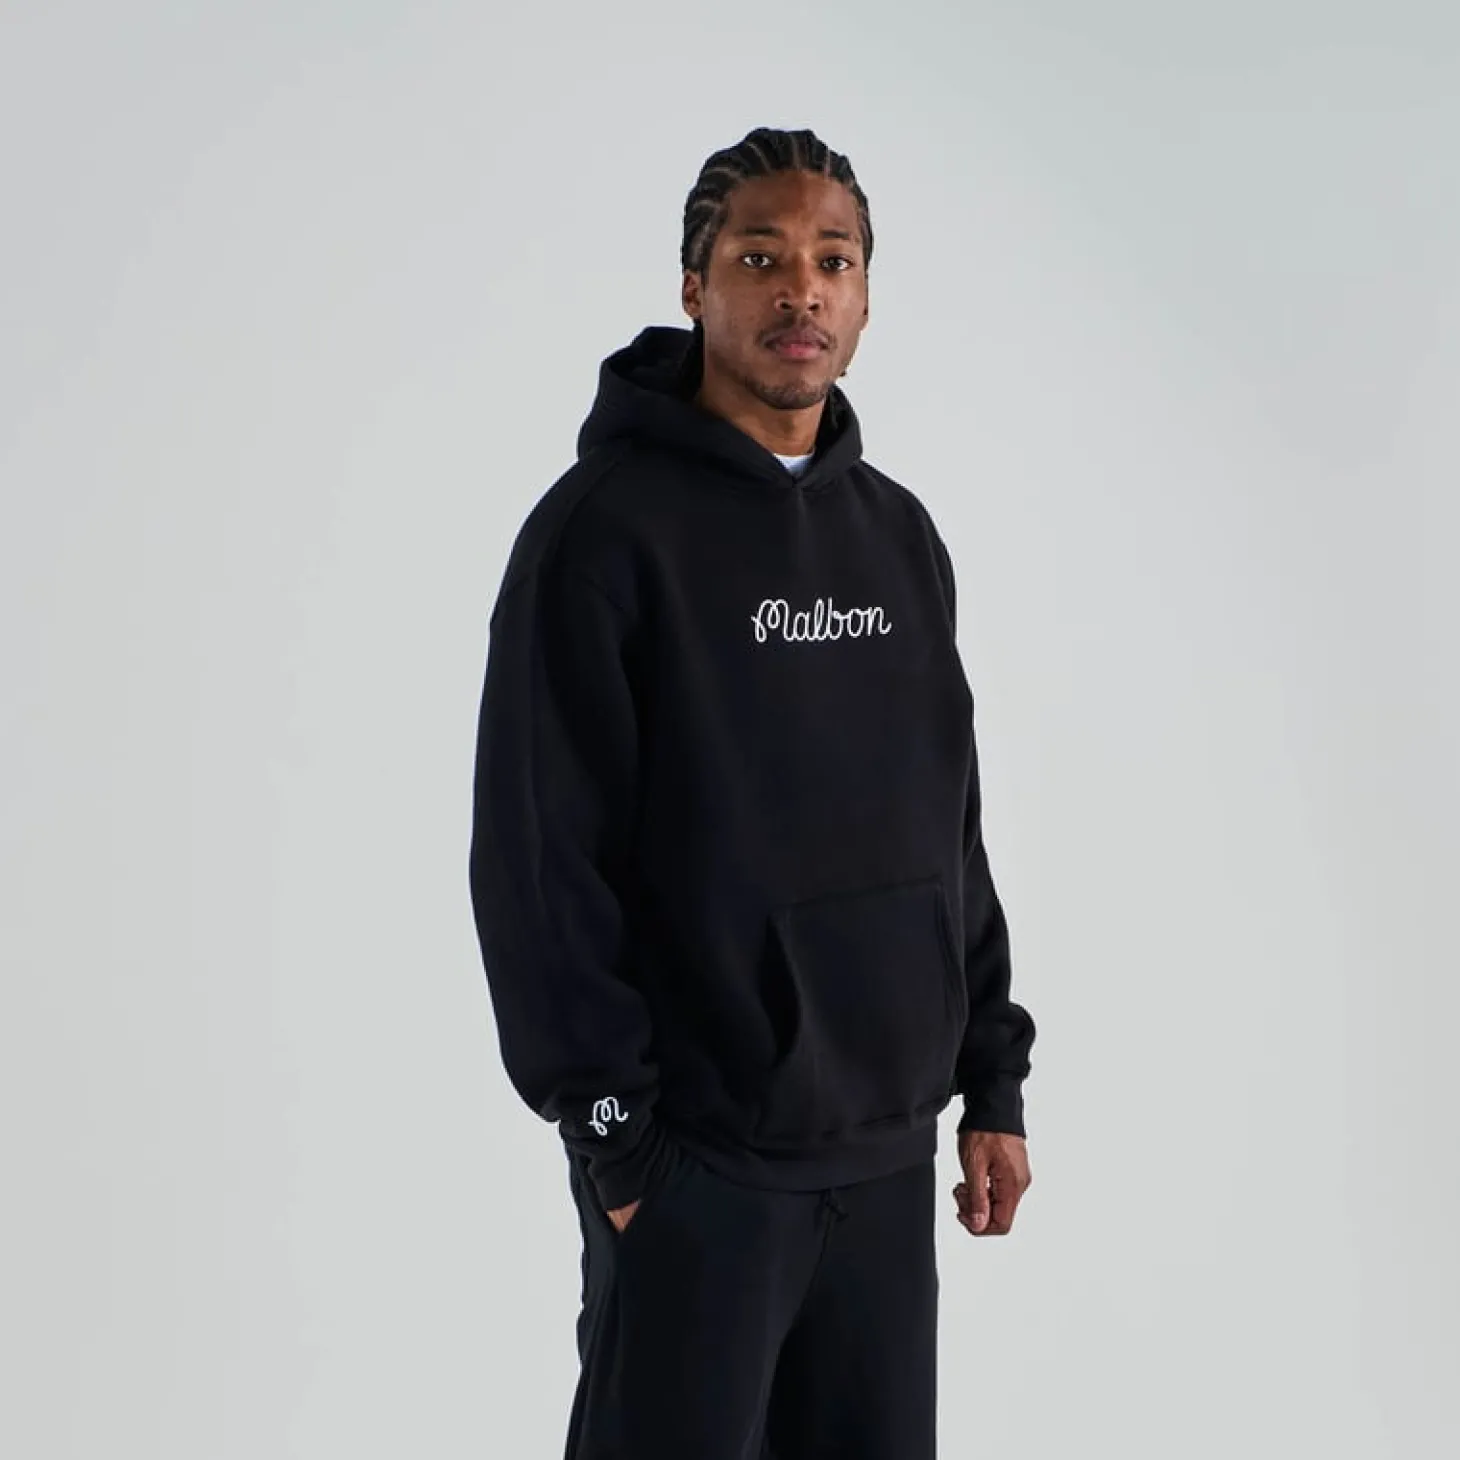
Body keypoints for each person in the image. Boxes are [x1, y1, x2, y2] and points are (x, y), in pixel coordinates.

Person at [468, 125, 1036, 1460]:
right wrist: (617, 1144)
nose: (802, 291)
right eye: (761, 257)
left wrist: (990, 1082)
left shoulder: (898, 536)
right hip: (699, 1168)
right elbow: (541, 862)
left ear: (866, 297)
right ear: (695, 285)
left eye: (834, 261)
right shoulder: (600, 537)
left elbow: (946, 826)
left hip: (885, 1160)